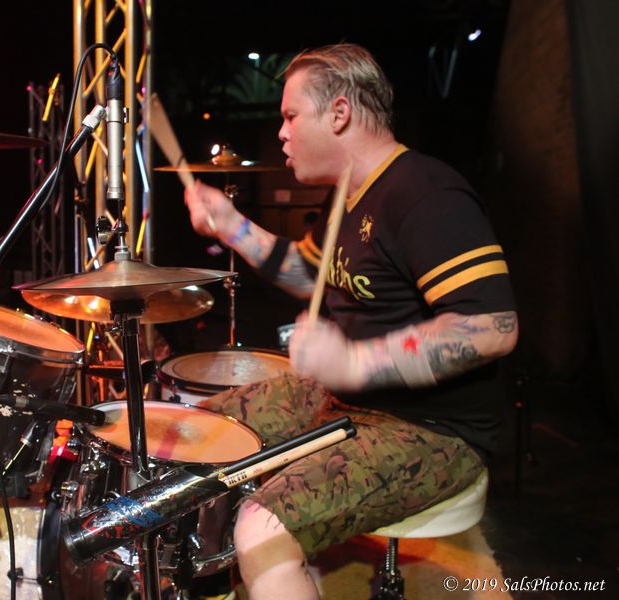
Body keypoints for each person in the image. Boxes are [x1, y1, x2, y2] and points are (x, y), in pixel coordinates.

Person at [184, 44, 518, 599]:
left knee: (262, 530)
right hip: (348, 401)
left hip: (433, 429)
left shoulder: (425, 193)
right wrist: (231, 226)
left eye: (291, 116)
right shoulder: (349, 196)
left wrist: (357, 362)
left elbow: (491, 327)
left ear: (339, 113)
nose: (281, 132)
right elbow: (308, 272)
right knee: (203, 430)